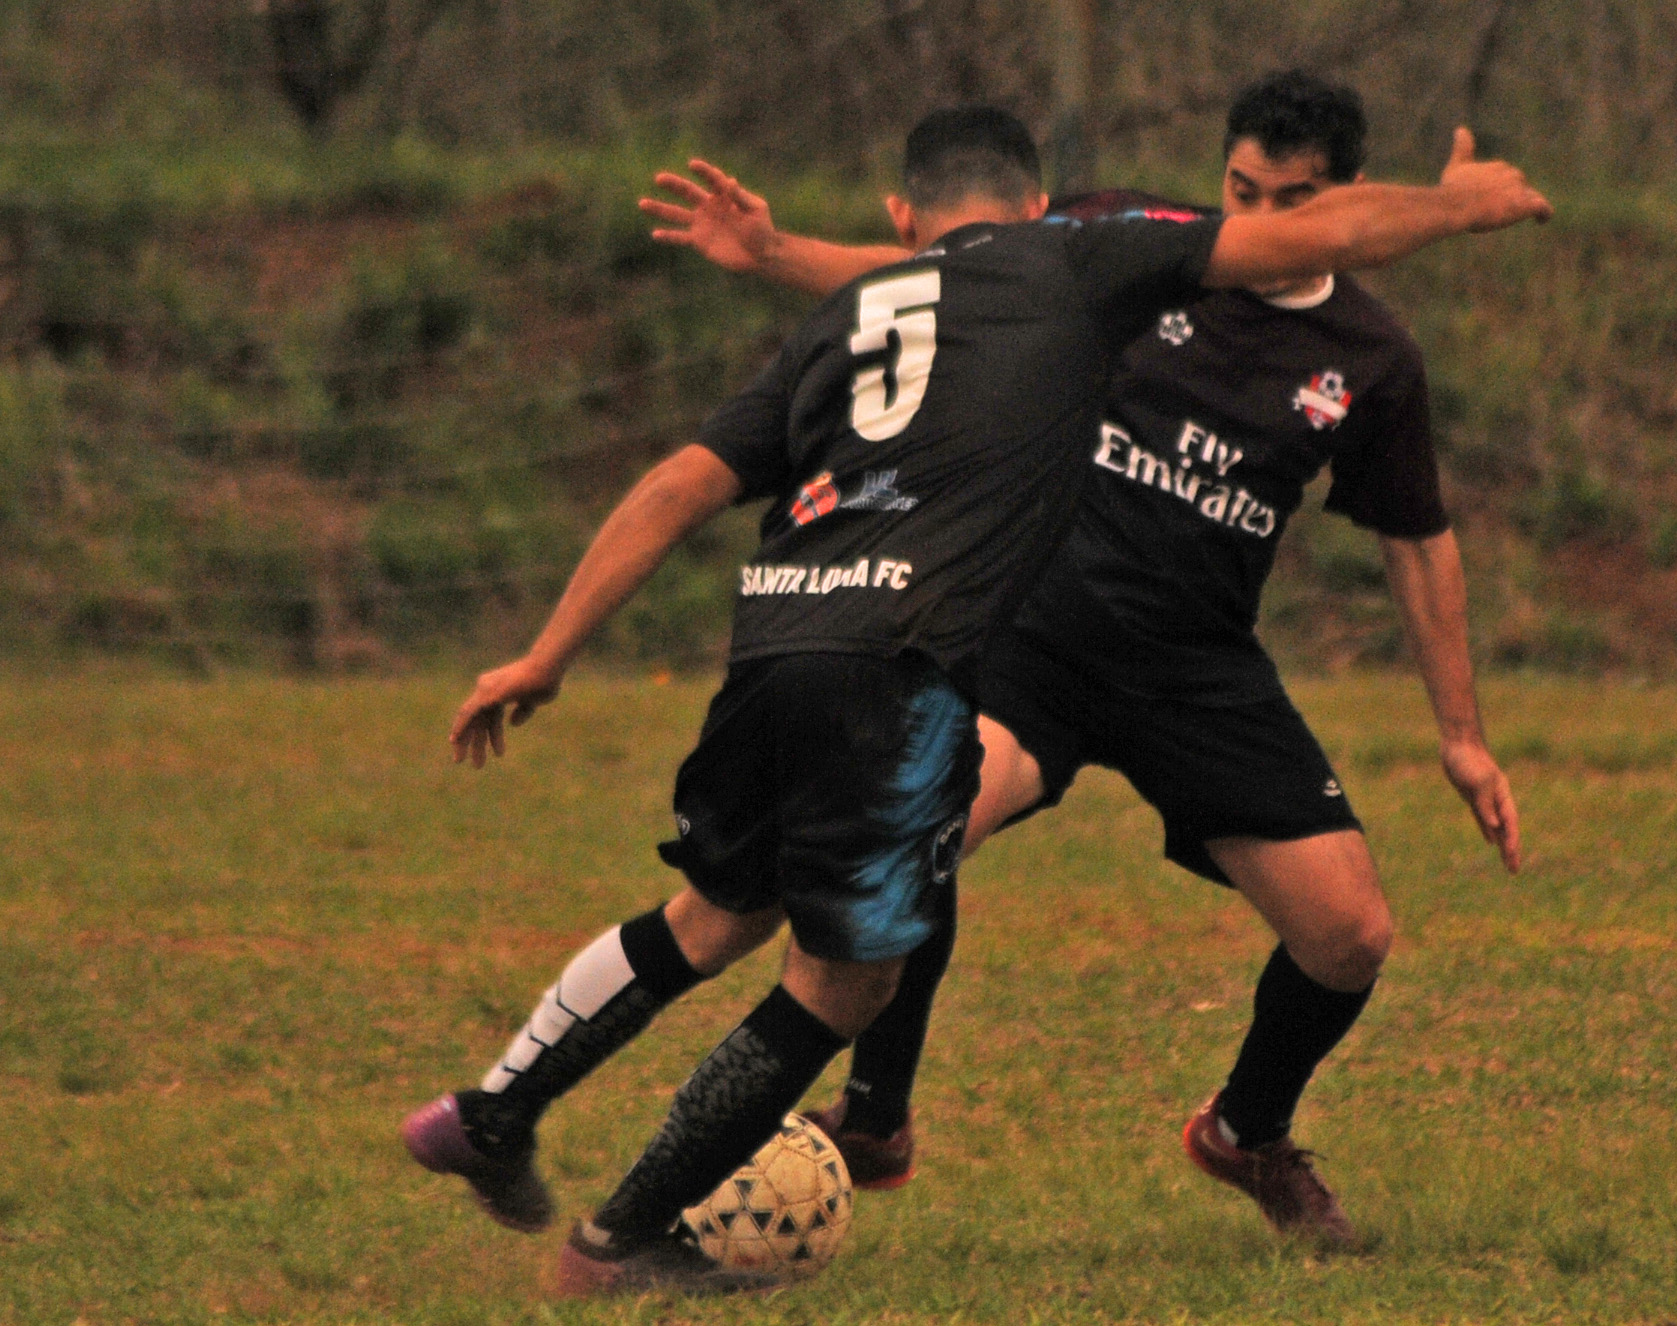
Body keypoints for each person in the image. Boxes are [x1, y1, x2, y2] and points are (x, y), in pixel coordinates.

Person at [402, 103, 1548, 1298]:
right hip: (1007, 640)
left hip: (1155, 661)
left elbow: (1418, 535)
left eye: (1291, 200)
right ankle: (764, 1170)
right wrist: (1459, 209)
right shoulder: (1105, 246)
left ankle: (1245, 1134)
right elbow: (957, 273)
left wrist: (1462, 737)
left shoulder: (1359, 353)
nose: (1256, 218)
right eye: (1240, 190)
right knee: (873, 907)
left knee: (1348, 933)